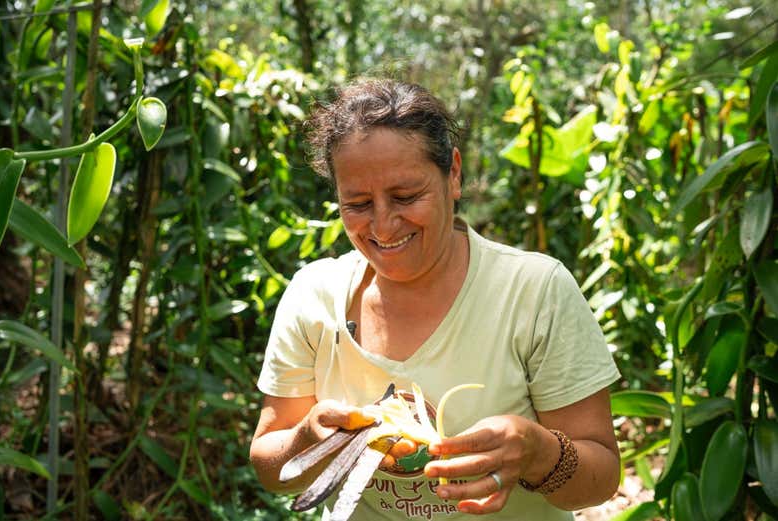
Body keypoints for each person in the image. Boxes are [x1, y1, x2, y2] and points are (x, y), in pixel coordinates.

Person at [250, 78, 621, 520]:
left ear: (454, 175)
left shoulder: (533, 292)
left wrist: (537, 452)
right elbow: (270, 463)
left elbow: (601, 477)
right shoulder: (315, 297)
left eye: (407, 196)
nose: (384, 225)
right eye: (358, 204)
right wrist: (308, 442)